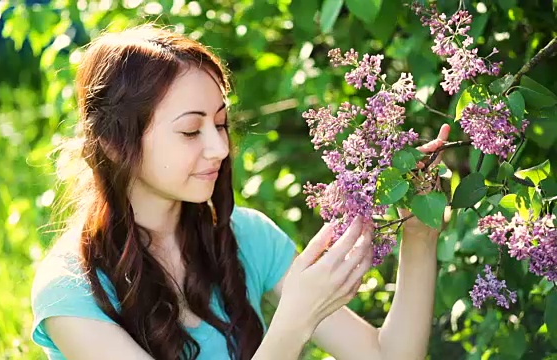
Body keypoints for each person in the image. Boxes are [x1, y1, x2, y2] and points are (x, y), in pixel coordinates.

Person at [30, 24, 449, 360]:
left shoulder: (246, 237)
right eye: (191, 130)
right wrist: (294, 323)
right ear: (115, 143)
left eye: (221, 123)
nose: (218, 148)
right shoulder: (72, 289)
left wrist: (420, 234)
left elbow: (387, 356)